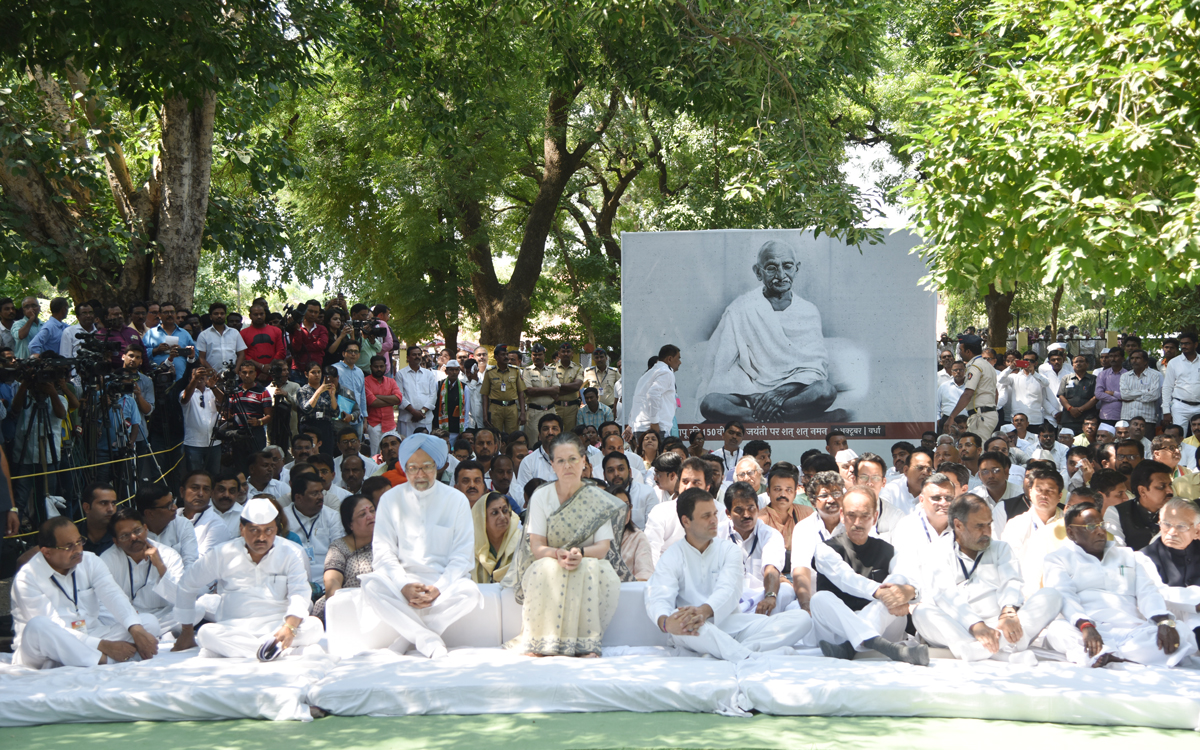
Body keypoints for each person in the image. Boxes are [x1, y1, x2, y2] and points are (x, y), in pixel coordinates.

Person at [645, 487, 812, 660]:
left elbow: (729, 590)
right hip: (696, 628)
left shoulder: (728, 550)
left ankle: (736, 652)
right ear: (686, 521)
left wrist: (705, 610)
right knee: (685, 624)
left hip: (733, 624)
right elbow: (657, 595)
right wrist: (665, 622)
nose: (714, 521)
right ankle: (750, 657)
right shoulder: (672, 555)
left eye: (715, 514)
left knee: (801, 619)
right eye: (706, 516)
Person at [504, 432, 631, 656]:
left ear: (584, 461)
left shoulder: (597, 498)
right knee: (547, 568)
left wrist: (580, 553)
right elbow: (537, 546)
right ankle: (540, 643)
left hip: (589, 560)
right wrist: (557, 554)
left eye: (573, 459)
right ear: (552, 464)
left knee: (590, 568)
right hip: (549, 559)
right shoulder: (541, 497)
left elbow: (602, 547)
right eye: (560, 460)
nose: (567, 466)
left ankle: (585, 644)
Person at [359, 433, 482, 658]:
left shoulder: (456, 500)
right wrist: (403, 585)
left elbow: (462, 556)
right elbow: (383, 552)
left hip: (443, 586)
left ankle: (408, 639)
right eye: (413, 468)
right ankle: (426, 638)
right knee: (371, 586)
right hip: (403, 586)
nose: (420, 474)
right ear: (404, 469)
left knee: (470, 593)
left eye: (427, 466)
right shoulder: (390, 500)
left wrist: (439, 587)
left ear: (438, 466)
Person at [697, 242, 838, 423]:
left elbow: (815, 365)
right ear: (758, 272)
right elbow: (727, 364)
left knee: (825, 391)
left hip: (792, 391)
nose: (780, 275)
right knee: (710, 404)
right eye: (771, 268)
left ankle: (754, 418)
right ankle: (789, 417)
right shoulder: (740, 308)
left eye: (787, 266)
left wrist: (780, 392)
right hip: (750, 393)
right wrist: (754, 395)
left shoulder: (808, 310)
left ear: (797, 268)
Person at [1043, 501, 1197, 667]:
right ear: (1071, 533)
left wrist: (1163, 622)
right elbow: (1064, 595)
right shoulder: (1058, 559)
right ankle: (1125, 656)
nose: (1100, 531)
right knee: (1057, 630)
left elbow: (1148, 592)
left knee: (1181, 632)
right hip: (1087, 630)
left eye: (1102, 525)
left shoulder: (1129, 556)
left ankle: (1109, 655)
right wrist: (1085, 625)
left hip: (1132, 633)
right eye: (1091, 527)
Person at [911, 494, 1061, 663]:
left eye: (989, 524)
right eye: (979, 526)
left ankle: (978, 650)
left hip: (1002, 626)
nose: (987, 532)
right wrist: (976, 625)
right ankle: (1002, 653)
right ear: (958, 525)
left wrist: (1008, 612)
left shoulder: (1000, 548)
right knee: (921, 612)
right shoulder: (936, 551)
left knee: (1051, 595)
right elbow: (946, 596)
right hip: (960, 626)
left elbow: (1011, 581)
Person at [172, 497, 324, 659]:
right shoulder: (222, 553)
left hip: (279, 626)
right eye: (254, 530)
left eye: (268, 530)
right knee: (205, 633)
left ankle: (260, 648)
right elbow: (187, 583)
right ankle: (274, 650)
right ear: (242, 529)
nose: (262, 537)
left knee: (314, 625)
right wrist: (187, 630)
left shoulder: (290, 552)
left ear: (277, 529)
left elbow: (299, 593)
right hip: (234, 628)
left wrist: (290, 627)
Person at [11, 517, 160, 668]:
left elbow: (113, 595)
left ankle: (84, 659)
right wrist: (105, 646)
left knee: (148, 623)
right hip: (44, 648)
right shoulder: (27, 578)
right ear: (47, 552)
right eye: (69, 546)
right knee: (39, 625)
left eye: (79, 542)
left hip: (90, 635)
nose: (78, 550)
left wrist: (136, 629)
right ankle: (106, 661)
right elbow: (56, 628)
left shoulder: (90, 561)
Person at [807, 487, 927, 665]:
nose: (857, 522)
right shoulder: (825, 549)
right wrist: (881, 592)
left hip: (882, 627)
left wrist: (908, 592)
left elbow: (909, 577)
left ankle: (851, 647)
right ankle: (888, 649)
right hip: (839, 630)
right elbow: (846, 579)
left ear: (875, 516)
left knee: (899, 580)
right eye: (851, 515)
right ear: (842, 514)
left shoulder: (889, 550)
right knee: (819, 599)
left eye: (864, 516)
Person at [101, 507, 187, 633]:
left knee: (197, 608)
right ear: (116, 542)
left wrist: (161, 567)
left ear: (146, 528)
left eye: (137, 530)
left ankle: (149, 634)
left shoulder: (168, 555)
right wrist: (128, 619)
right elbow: (100, 605)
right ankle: (158, 633)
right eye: (125, 536)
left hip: (163, 617)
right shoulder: (106, 560)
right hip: (125, 620)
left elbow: (181, 599)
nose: (134, 537)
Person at [724, 481, 793, 614]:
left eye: (751, 508)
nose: (747, 515)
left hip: (762, 597)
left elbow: (771, 569)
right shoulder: (717, 534)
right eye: (739, 510)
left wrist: (770, 596)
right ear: (728, 513)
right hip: (728, 596)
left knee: (786, 591)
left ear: (757, 508)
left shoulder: (770, 534)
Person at [312, 493, 376, 620]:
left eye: (373, 511)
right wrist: (342, 607)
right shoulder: (339, 547)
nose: (370, 516)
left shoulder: (388, 541)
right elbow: (332, 581)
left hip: (382, 603)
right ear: (350, 524)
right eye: (362, 514)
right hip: (349, 607)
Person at [888, 473, 957, 571]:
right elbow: (901, 568)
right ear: (921, 500)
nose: (943, 503)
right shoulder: (907, 526)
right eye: (936, 498)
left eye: (949, 498)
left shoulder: (963, 526)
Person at [1105, 459, 1174, 550]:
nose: (1170, 491)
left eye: (1170, 485)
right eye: (1161, 487)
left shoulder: (1178, 511)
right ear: (1142, 491)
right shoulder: (1116, 513)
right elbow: (1117, 552)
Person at [945, 335, 999, 438]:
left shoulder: (974, 366)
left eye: (961, 350)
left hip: (981, 416)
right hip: (987, 414)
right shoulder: (987, 365)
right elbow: (995, 393)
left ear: (968, 351)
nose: (960, 353)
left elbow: (968, 393)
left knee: (979, 450)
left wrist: (952, 417)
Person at [137, 485, 198, 570]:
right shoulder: (134, 534)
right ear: (149, 513)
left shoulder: (182, 524)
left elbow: (191, 564)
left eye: (173, 502)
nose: (175, 508)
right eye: (168, 506)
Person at [177, 469, 235, 557]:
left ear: (211, 494)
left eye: (206, 489)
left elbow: (200, 564)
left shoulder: (217, 525)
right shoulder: (172, 516)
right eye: (195, 488)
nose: (200, 493)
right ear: (182, 492)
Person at [180, 365, 224, 476]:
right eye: (197, 375)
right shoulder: (186, 392)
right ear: (191, 378)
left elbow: (225, 402)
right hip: (193, 443)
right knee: (195, 476)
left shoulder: (212, 391)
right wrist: (195, 380)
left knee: (214, 475)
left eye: (203, 375)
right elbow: (184, 399)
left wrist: (213, 387)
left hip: (214, 442)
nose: (200, 377)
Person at [511, 413, 564, 506]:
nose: (550, 432)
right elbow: (523, 496)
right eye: (545, 429)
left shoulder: (571, 460)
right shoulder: (528, 462)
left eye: (554, 428)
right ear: (539, 435)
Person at [629, 345, 680, 435]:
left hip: (641, 426)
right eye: (678, 358)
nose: (680, 362)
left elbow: (638, 399)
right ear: (670, 359)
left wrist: (631, 424)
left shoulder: (649, 373)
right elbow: (653, 394)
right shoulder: (666, 372)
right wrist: (655, 422)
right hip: (656, 428)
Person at [472, 491, 521, 584]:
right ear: (482, 519)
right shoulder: (472, 549)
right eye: (495, 513)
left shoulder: (522, 543)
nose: (502, 517)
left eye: (505, 510)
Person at [610, 485, 654, 581]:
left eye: (627, 506)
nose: (625, 511)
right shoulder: (597, 538)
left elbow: (646, 574)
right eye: (618, 507)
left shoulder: (638, 538)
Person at [480, 344, 525, 435]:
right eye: (503, 354)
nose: (506, 357)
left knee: (513, 436)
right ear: (496, 357)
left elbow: (521, 392)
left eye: (506, 354)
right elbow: (485, 395)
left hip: (511, 408)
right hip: (495, 408)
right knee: (496, 435)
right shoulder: (489, 372)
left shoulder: (515, 371)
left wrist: (523, 412)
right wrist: (485, 415)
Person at [395, 345, 439, 436]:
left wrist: (422, 412)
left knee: (424, 446)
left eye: (419, 354)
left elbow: (433, 395)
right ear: (408, 357)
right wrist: (413, 412)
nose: (417, 357)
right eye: (414, 355)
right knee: (408, 446)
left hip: (425, 418)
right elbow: (399, 395)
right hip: (407, 419)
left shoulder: (428, 374)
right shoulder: (400, 374)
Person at [364, 354, 403, 454]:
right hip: (373, 425)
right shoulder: (366, 382)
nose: (379, 369)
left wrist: (378, 396)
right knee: (375, 454)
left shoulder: (391, 381)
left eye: (381, 366)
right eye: (376, 366)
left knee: (391, 452)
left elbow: (398, 399)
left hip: (390, 424)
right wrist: (389, 400)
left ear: (385, 367)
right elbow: (372, 402)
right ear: (371, 367)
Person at [1163, 332, 1200, 436]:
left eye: (1187, 343)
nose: (1184, 346)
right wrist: (1166, 410)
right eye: (1182, 344)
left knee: (1198, 439)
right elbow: (1167, 387)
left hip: (1199, 406)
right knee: (1178, 437)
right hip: (1180, 405)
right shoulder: (1174, 362)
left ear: (1195, 344)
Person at [239, 302, 286, 384]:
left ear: (265, 314)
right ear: (250, 316)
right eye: (256, 314)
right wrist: (261, 366)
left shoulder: (276, 331)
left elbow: (281, 351)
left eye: (261, 314)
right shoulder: (243, 333)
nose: (259, 317)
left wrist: (268, 369)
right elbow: (244, 355)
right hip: (252, 376)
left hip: (274, 375)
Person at [880, 447, 934, 514]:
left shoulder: (935, 494)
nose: (925, 472)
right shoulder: (891, 490)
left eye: (929, 469)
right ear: (906, 470)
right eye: (920, 468)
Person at [195, 302, 247, 372]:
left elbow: (241, 355)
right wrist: (214, 373)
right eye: (216, 314)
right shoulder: (204, 335)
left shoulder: (234, 333)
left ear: (225, 315)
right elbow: (201, 358)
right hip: (212, 378)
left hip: (233, 377)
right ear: (210, 317)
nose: (219, 316)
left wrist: (236, 371)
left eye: (222, 313)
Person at [1119, 349, 1162, 425]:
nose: (1134, 361)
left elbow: (1155, 395)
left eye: (1138, 358)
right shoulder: (1125, 376)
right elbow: (1124, 395)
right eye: (1132, 358)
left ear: (1145, 361)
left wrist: (1132, 396)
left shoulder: (1155, 375)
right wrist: (1146, 392)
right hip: (1127, 417)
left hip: (1147, 417)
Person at [76, 482, 118, 555]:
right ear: (87, 507)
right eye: (103, 503)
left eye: (113, 503)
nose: (111, 509)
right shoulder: (74, 538)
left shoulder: (121, 537)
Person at [433, 359, 470, 441]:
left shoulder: (464, 388)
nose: (454, 372)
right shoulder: (438, 385)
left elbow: (466, 410)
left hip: (456, 428)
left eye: (456, 370)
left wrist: (464, 429)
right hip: (440, 429)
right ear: (446, 371)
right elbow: (434, 405)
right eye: (451, 370)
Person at [553, 343, 585, 432]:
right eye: (563, 352)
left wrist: (557, 387)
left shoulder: (578, 368)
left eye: (568, 351)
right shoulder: (551, 368)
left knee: (570, 435)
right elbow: (550, 388)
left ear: (572, 353)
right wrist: (570, 387)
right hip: (556, 407)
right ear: (559, 354)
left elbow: (577, 386)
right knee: (556, 434)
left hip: (572, 409)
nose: (566, 354)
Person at [582, 347, 621, 416]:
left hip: (610, 409)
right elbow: (580, 388)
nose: (599, 359)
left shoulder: (614, 372)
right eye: (597, 357)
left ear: (606, 358)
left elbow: (621, 388)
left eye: (601, 357)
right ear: (594, 359)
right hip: (594, 410)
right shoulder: (588, 372)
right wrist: (583, 401)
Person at [1095, 348, 1128, 425]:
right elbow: (1098, 394)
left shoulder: (1128, 375)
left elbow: (1128, 395)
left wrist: (1113, 393)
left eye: (1116, 356)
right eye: (1111, 356)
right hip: (1106, 415)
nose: (1113, 359)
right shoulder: (1102, 374)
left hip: (1123, 415)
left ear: (1123, 358)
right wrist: (1117, 399)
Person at [935, 360, 966, 433]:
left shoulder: (970, 386)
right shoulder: (944, 386)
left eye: (961, 370)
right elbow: (936, 405)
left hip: (966, 422)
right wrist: (938, 420)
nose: (958, 372)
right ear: (952, 372)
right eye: (955, 370)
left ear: (965, 371)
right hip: (947, 421)